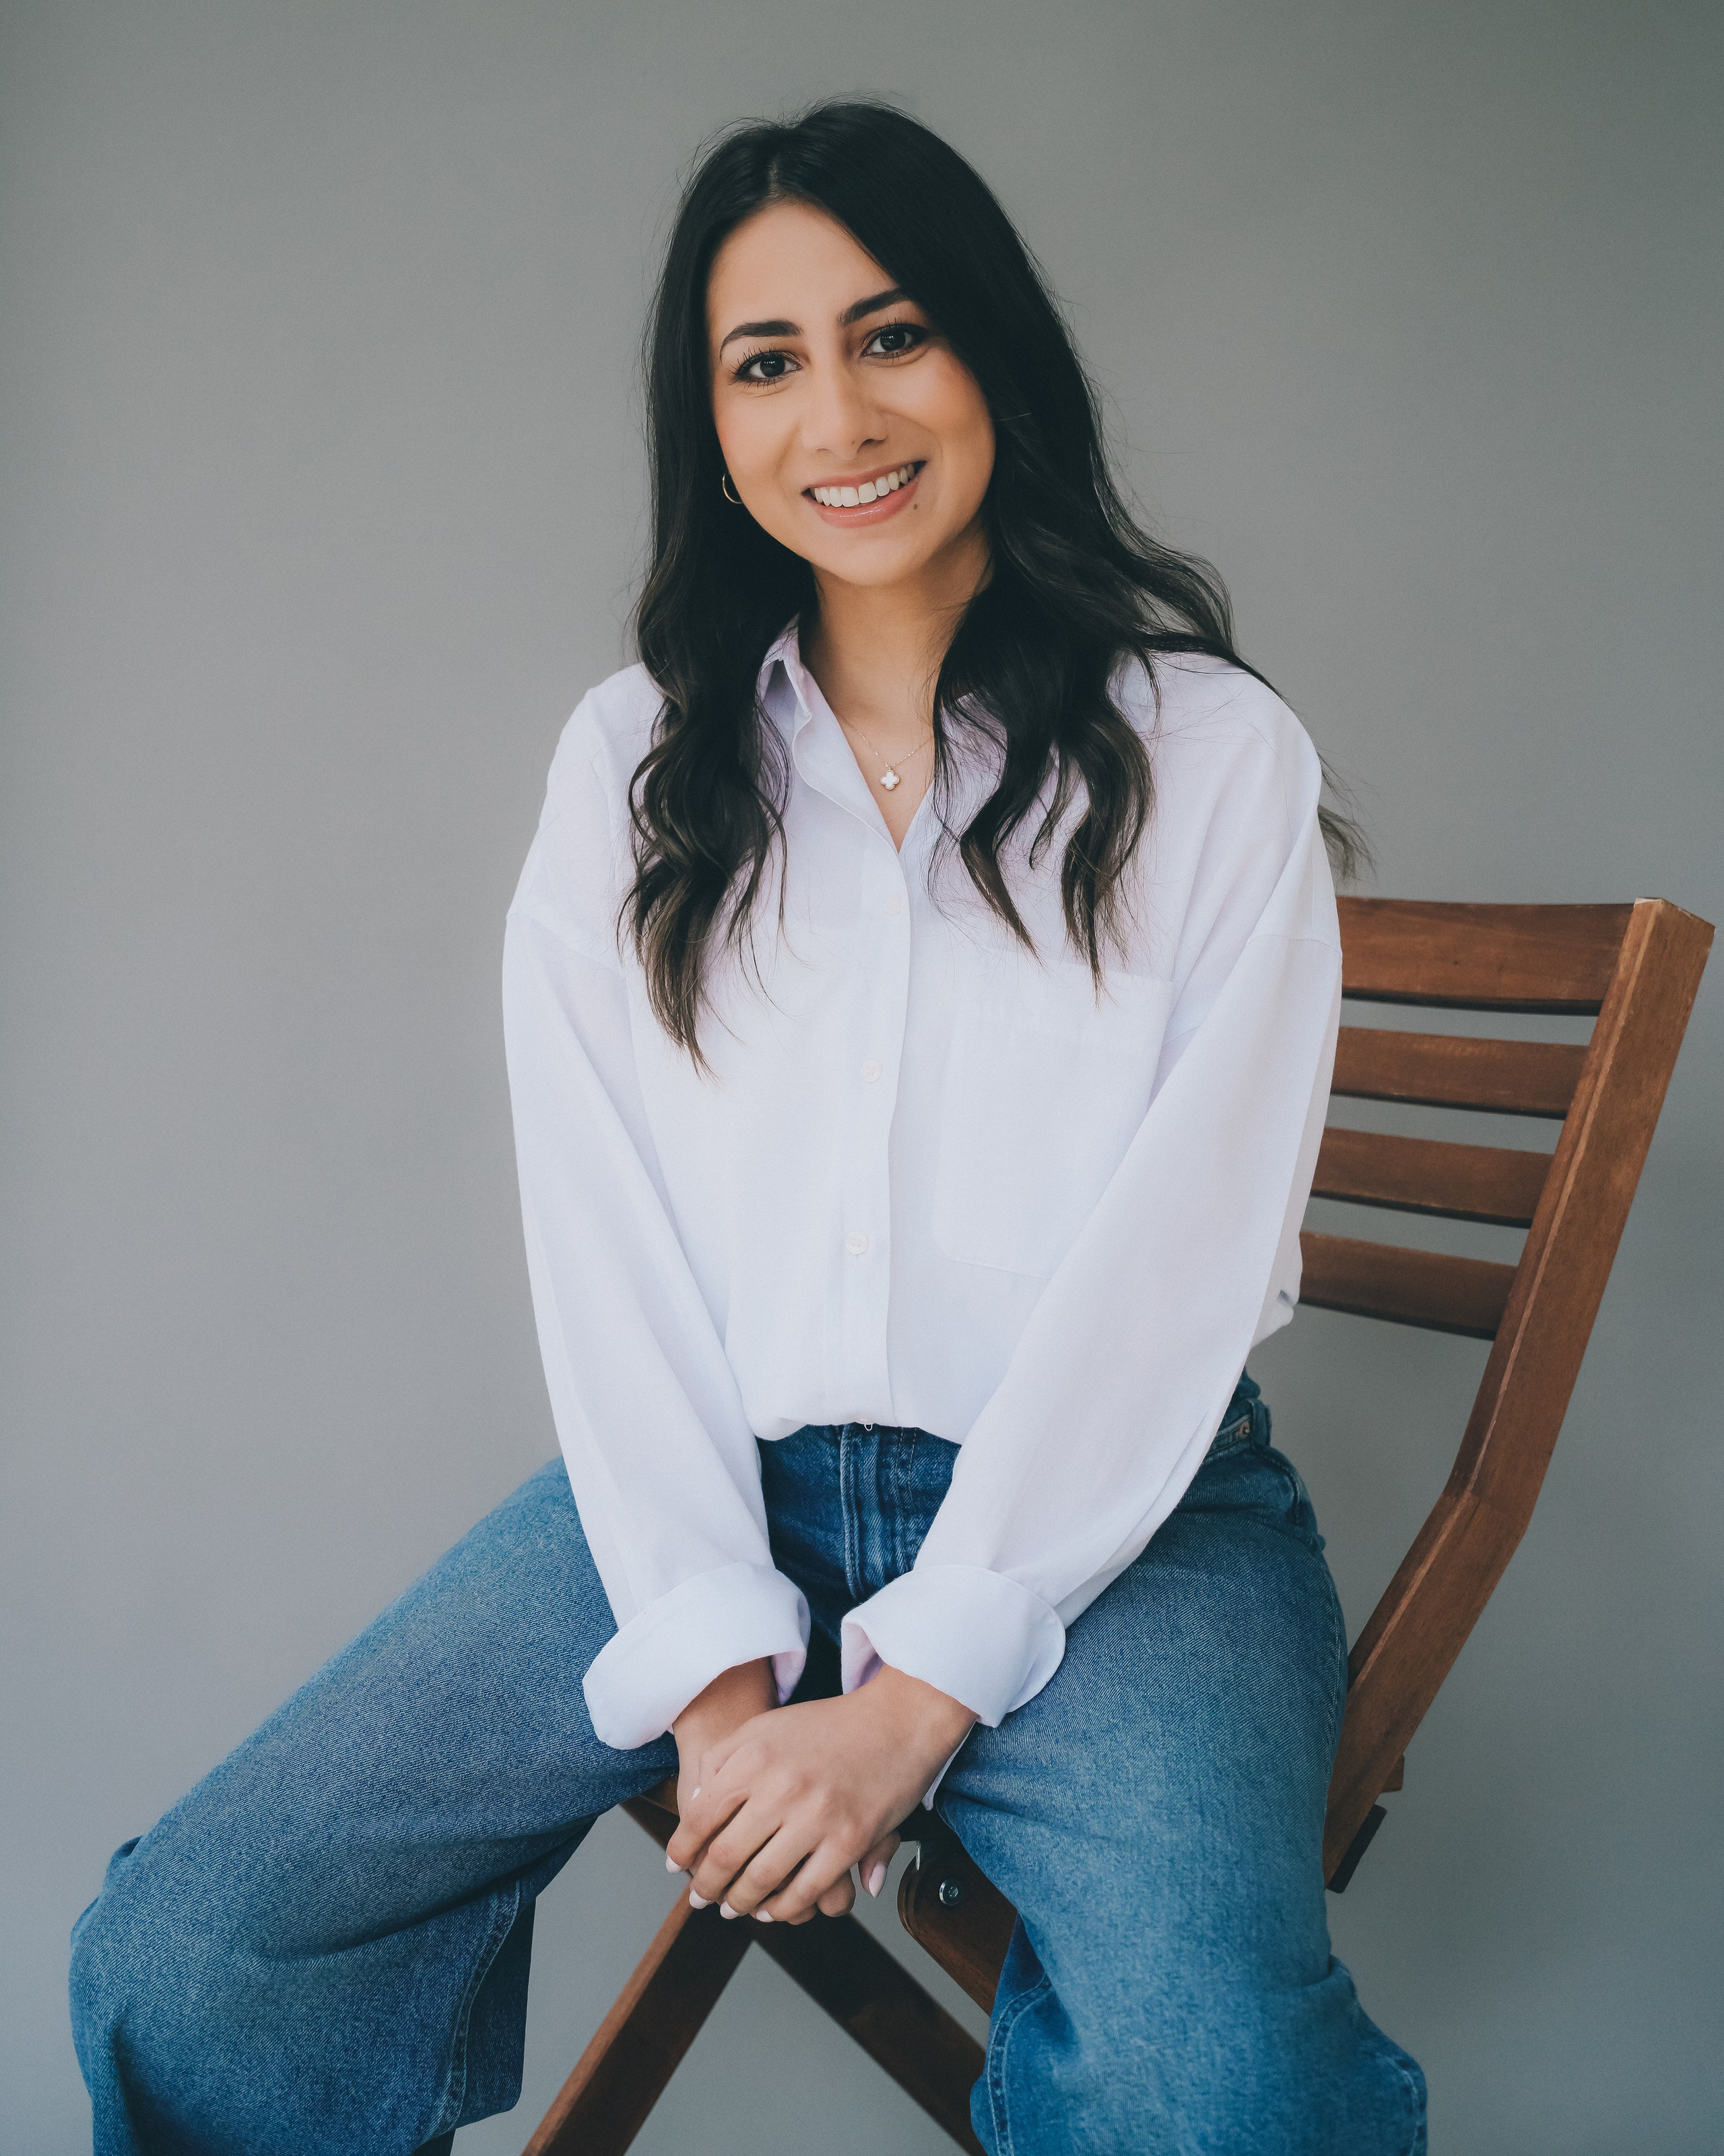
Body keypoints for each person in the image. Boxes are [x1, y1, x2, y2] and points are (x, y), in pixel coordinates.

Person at [69, 100, 1426, 2155]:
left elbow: (1177, 1283)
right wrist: (720, 1671)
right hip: (710, 1496)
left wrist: (909, 1703)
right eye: (766, 362)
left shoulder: (1213, 760)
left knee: (1212, 2090)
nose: (839, 413)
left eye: (893, 335)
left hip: (1122, 1526)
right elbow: (608, 1259)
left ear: (993, 360)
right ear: (714, 430)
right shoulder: (631, 769)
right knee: (200, 1948)